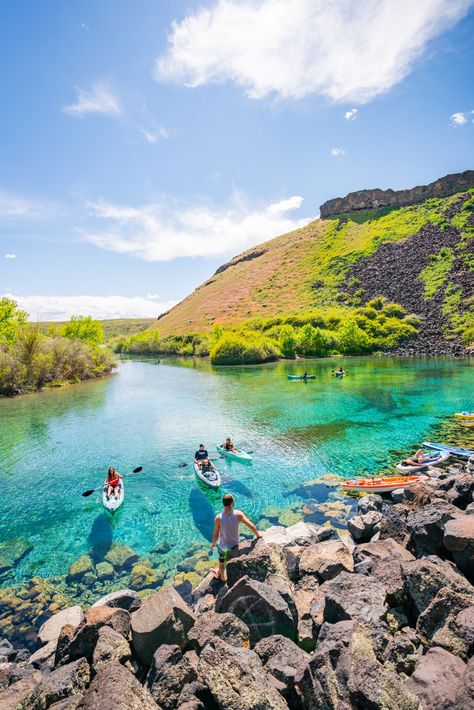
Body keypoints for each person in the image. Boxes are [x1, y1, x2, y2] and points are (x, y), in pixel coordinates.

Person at [210, 494, 262, 582]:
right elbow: (251, 525)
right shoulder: (238, 514)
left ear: (223, 504)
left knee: (221, 562)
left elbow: (215, 534)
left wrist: (213, 544)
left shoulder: (218, 518)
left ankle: (222, 577)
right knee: (230, 558)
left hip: (223, 546)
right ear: (232, 503)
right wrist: (258, 535)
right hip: (234, 544)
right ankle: (223, 571)